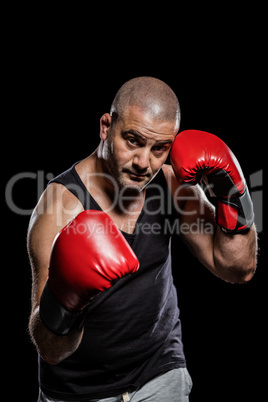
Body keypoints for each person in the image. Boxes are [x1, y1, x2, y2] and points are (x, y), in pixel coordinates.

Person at [27, 77, 258, 402]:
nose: (143, 162)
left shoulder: (169, 182)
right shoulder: (60, 208)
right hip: (80, 391)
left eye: (159, 148)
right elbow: (50, 350)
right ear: (106, 127)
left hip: (160, 374)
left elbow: (238, 267)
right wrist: (66, 297)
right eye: (133, 141)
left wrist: (232, 195)